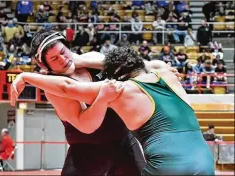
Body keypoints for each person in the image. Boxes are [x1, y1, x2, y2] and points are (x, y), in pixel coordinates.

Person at [11, 46, 215, 175]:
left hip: (167, 165)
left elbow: (68, 87)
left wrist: (26, 77)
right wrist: (79, 61)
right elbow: (152, 63)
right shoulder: (166, 74)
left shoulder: (121, 90)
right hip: (204, 161)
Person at [18, 31, 147, 176]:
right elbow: (86, 126)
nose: (62, 59)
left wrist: (81, 60)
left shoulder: (91, 58)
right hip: (87, 149)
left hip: (122, 140)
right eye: (54, 58)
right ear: (45, 65)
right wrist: (102, 98)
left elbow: (131, 66)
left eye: (63, 52)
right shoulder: (53, 88)